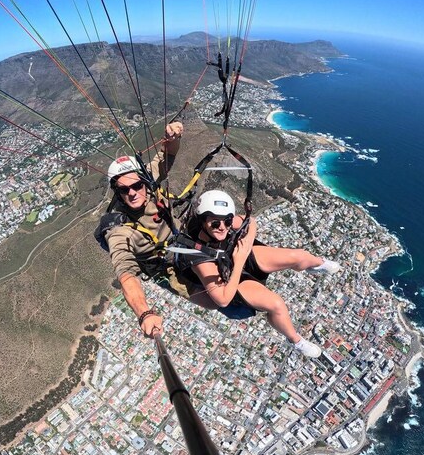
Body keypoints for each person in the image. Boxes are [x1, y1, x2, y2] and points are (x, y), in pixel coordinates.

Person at [175, 190, 341, 358]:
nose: (223, 227)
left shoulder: (224, 222)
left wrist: (246, 245)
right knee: (276, 305)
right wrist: (239, 260)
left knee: (299, 256)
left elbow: (251, 222)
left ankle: (317, 264)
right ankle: (296, 341)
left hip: (240, 256)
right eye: (216, 224)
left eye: (227, 221)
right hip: (229, 278)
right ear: (202, 221)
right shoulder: (199, 255)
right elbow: (223, 299)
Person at [100, 122, 184, 339]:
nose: (133, 192)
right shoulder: (118, 229)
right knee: (217, 296)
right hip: (168, 266)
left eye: (137, 186)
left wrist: (172, 138)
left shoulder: (147, 182)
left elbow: (166, 157)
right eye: (125, 190)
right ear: (117, 193)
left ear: (144, 182)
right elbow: (126, 274)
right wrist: (144, 313)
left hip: (184, 240)